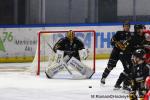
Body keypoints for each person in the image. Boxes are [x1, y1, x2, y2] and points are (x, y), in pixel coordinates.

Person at [114, 24, 146, 90]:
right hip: (125, 55)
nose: (143, 30)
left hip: (131, 55)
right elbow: (124, 46)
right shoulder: (133, 36)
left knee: (127, 70)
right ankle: (126, 85)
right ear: (137, 30)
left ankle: (117, 84)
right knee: (132, 70)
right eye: (142, 29)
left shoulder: (142, 36)